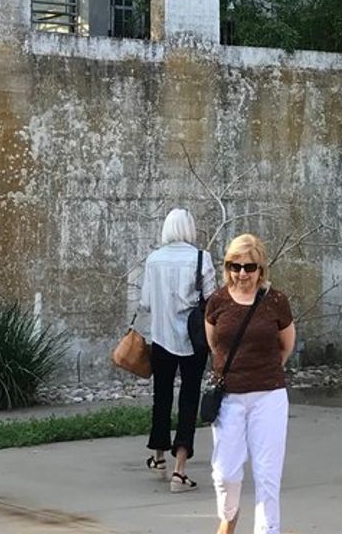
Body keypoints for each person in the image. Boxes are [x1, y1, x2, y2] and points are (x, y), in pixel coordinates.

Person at [205, 234, 295, 534]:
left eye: (249, 267)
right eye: (235, 266)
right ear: (227, 267)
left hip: (268, 395)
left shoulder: (276, 301)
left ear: (261, 269)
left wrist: (265, 371)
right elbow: (215, 345)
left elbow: (287, 345)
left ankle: (268, 530)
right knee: (225, 473)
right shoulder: (217, 300)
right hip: (229, 396)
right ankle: (229, 517)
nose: (242, 273)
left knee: (267, 474)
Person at [137, 208, 217, 493]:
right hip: (193, 340)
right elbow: (212, 298)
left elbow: (145, 302)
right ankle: (180, 471)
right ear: (190, 228)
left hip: (161, 338)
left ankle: (159, 457)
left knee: (161, 397)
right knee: (188, 400)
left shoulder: (154, 259)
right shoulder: (201, 258)